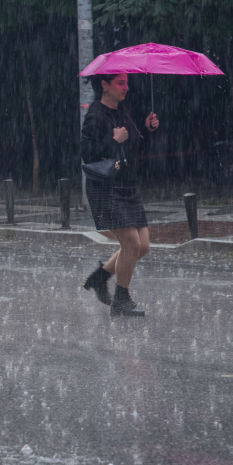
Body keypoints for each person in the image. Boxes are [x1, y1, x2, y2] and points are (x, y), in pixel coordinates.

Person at [80, 73, 159, 317]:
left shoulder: (123, 111)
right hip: (106, 188)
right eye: (120, 83)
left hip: (127, 185)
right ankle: (121, 301)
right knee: (131, 243)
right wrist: (112, 141)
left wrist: (146, 129)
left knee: (142, 246)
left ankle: (99, 277)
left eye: (126, 82)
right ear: (104, 85)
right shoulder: (95, 114)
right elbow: (87, 154)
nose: (126, 87)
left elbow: (133, 145)